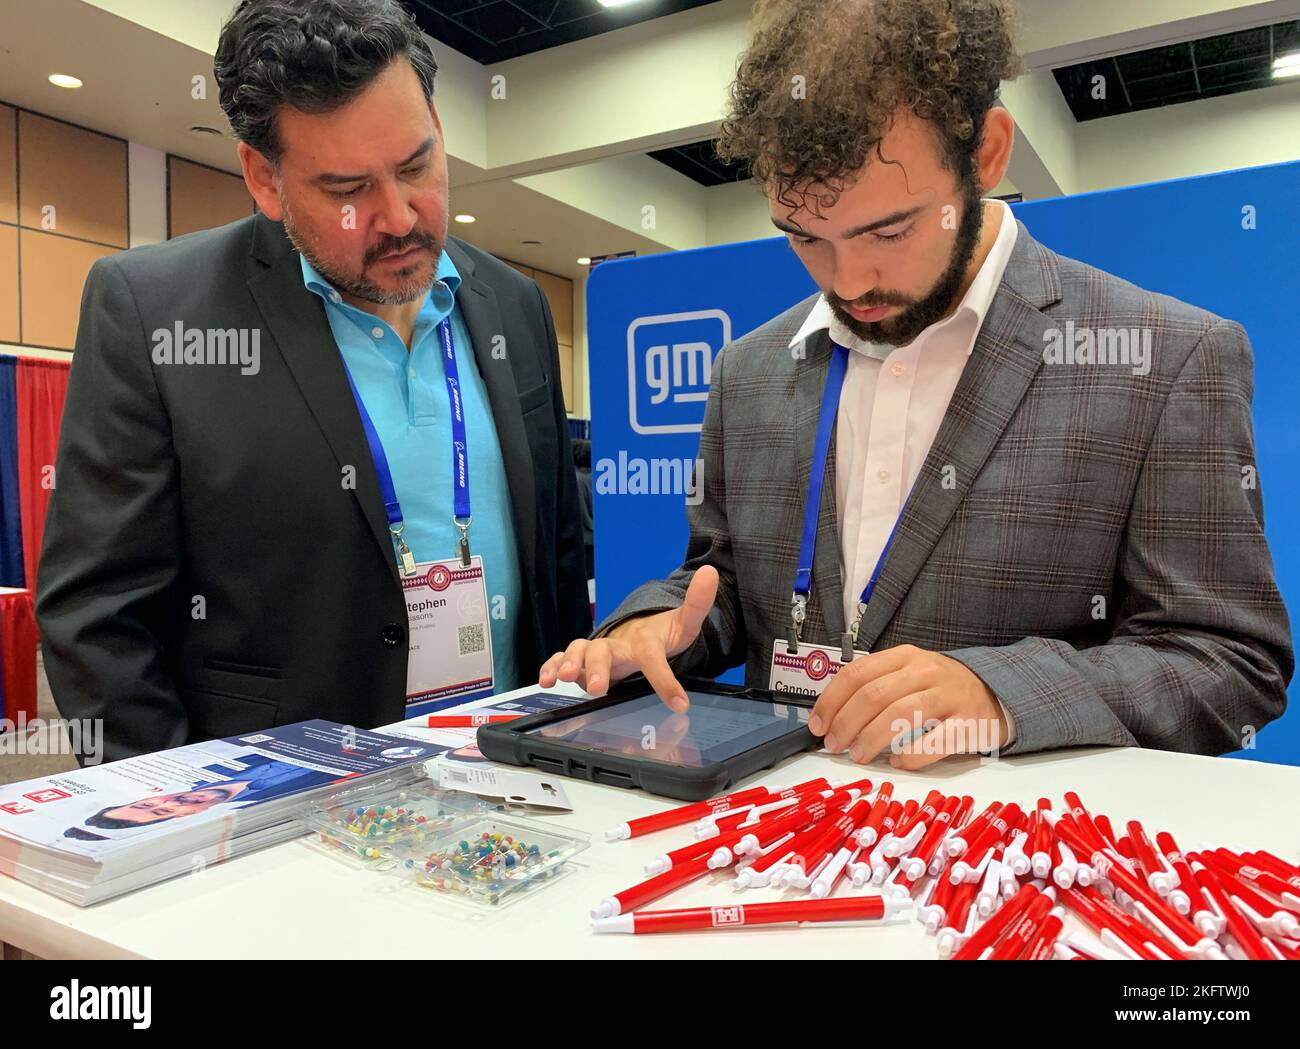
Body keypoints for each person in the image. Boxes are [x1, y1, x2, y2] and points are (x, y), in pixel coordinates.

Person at [541, 0, 1292, 768]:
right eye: (805, 238)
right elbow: (726, 583)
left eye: (890, 231)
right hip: (785, 854)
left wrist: (999, 693)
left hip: (1015, 865)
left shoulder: (1165, 358)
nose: (849, 282)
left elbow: (1229, 661)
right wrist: (656, 628)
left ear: (988, 152)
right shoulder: (749, 371)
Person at [38, 0, 590, 764]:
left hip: (509, 791)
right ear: (264, 179)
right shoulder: (156, 312)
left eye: (416, 165)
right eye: (346, 190)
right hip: (282, 826)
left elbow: (559, 558)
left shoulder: (515, 305)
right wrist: (188, 826)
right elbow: (97, 617)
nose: (399, 217)